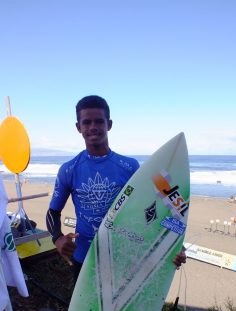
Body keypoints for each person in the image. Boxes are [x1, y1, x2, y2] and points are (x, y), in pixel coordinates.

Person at [46, 95, 186, 282]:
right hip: (83, 258)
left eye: (99, 121)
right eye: (86, 122)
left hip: (124, 256)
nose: (93, 127)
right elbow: (52, 213)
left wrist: (174, 244)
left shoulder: (130, 167)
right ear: (78, 127)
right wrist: (57, 238)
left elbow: (153, 208)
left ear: (109, 124)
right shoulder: (69, 169)